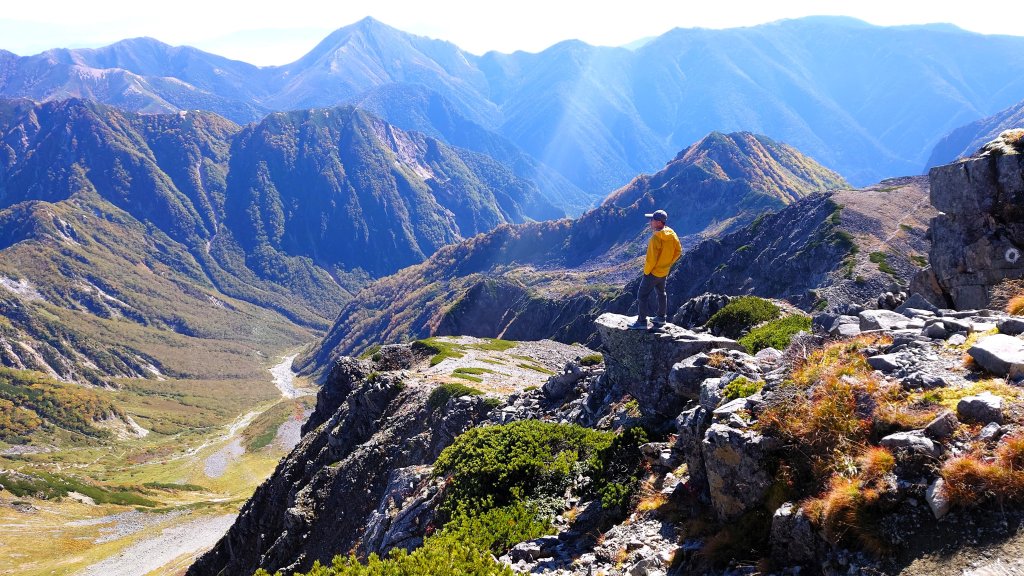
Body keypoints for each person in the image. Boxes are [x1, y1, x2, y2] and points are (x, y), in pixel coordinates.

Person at [629, 209, 682, 330]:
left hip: (653, 273)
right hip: (664, 272)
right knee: (661, 293)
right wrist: (668, 263)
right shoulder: (672, 234)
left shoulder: (655, 239)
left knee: (642, 295)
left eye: (652, 220)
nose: (650, 222)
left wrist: (647, 272)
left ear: (658, 222)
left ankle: (641, 322)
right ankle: (661, 318)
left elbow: (651, 260)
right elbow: (678, 251)